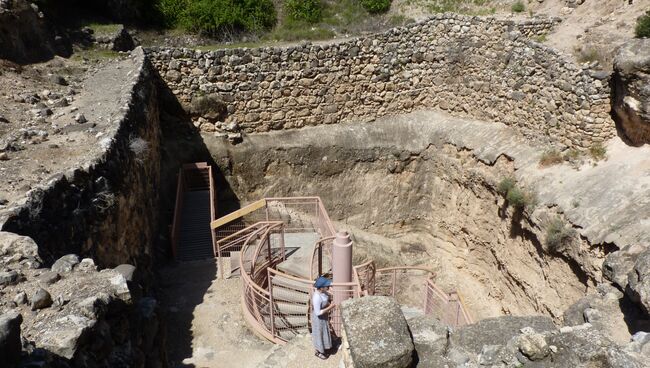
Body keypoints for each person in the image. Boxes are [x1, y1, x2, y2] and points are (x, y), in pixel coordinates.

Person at [312, 276, 335, 360]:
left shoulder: (323, 292)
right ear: (321, 288)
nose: (328, 287)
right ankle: (318, 351)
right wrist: (331, 307)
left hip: (324, 316)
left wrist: (329, 304)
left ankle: (325, 347)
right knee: (319, 333)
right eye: (326, 286)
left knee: (324, 331)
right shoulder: (316, 297)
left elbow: (326, 301)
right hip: (318, 318)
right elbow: (318, 312)